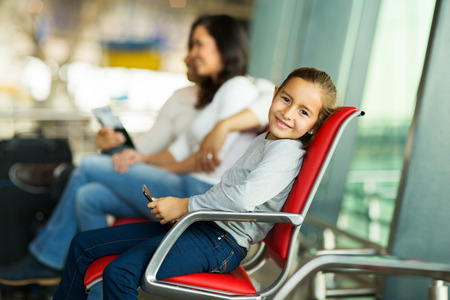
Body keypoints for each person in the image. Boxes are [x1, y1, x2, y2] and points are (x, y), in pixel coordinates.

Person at [0, 14, 268, 288]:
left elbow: (198, 160)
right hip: (187, 183)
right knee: (87, 197)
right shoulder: (214, 97)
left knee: (89, 167)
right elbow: (178, 152)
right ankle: (96, 288)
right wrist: (140, 159)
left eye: (199, 45)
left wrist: (220, 127)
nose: (191, 54)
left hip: (199, 192)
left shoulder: (240, 88)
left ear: (225, 46)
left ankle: (48, 259)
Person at [52, 67, 338, 299]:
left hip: (221, 242)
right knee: (83, 245)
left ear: (313, 126)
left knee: (120, 273)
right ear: (274, 95)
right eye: (286, 99)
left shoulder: (287, 151)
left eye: (304, 112)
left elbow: (241, 199)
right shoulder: (265, 141)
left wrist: (184, 206)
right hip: (204, 227)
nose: (288, 113)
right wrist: (187, 213)